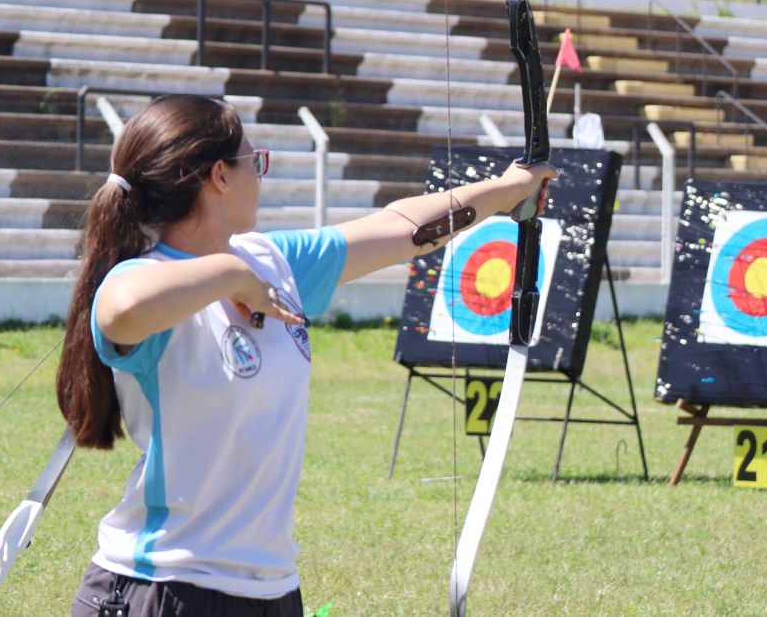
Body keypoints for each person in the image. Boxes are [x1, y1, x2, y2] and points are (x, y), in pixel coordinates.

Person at [58, 94, 554, 616]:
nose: (260, 176)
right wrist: (234, 277)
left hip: (270, 590)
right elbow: (120, 309)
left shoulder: (273, 260)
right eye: (256, 162)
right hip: (159, 586)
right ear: (219, 177)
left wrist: (506, 191)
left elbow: (402, 228)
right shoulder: (141, 275)